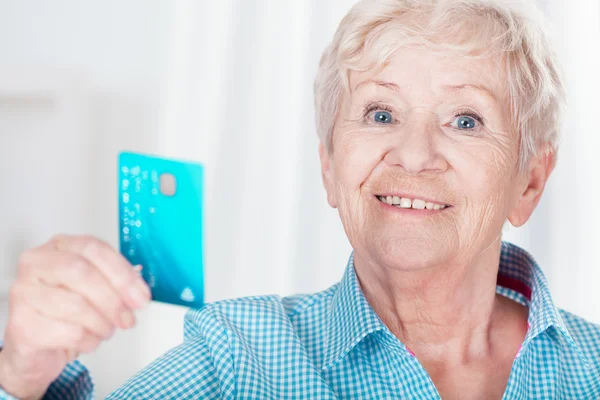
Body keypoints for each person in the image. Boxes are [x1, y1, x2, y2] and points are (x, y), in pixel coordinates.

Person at [1, 0, 599, 398]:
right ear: (331, 168)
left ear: (529, 181)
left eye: (465, 120)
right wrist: (20, 375)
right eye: (380, 112)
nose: (414, 155)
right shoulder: (237, 357)